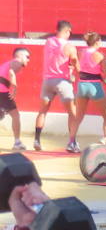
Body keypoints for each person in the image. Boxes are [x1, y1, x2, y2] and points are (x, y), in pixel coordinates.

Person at [32, 20, 79, 154]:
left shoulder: (48, 41)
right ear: (66, 31)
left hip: (47, 81)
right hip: (62, 82)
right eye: (69, 32)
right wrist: (72, 70)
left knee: (42, 111)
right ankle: (72, 142)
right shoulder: (69, 46)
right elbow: (74, 61)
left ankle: (37, 140)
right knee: (72, 113)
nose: (70, 34)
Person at [74, 33, 106, 145]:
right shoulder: (100, 56)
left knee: (79, 116)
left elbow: (83, 69)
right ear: (97, 42)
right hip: (94, 86)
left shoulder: (80, 52)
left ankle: (71, 141)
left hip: (82, 85)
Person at [0, 48, 31, 149]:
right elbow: (11, 72)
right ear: (20, 55)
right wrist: (14, 87)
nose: (28, 60)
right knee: (15, 115)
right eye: (27, 57)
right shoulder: (16, 62)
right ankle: (17, 143)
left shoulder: (10, 63)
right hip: (2, 91)